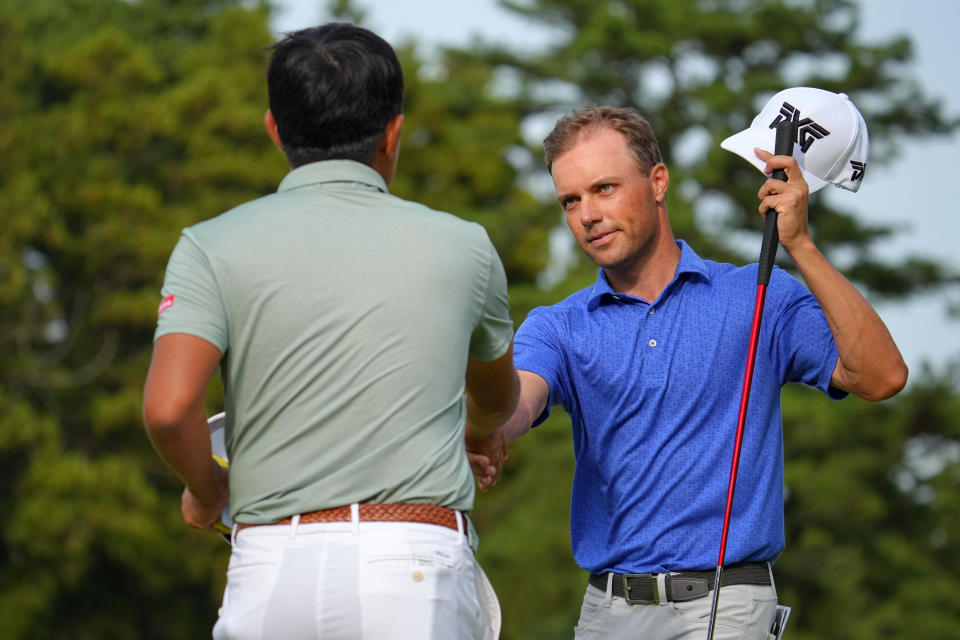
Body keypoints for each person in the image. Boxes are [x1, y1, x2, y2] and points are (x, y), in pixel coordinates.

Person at [469, 103, 907, 639]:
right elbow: (518, 401)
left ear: (657, 182)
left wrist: (800, 245)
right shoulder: (559, 326)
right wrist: (483, 426)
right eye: (570, 200)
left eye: (604, 189)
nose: (587, 214)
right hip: (608, 613)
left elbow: (880, 376)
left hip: (729, 606)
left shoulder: (757, 295)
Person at [142, 23, 519, 640]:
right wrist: (479, 434)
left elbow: (167, 409)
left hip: (270, 564)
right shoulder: (466, 246)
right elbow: (496, 395)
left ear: (274, 129)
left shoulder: (208, 246)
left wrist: (207, 490)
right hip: (414, 564)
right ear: (394, 132)